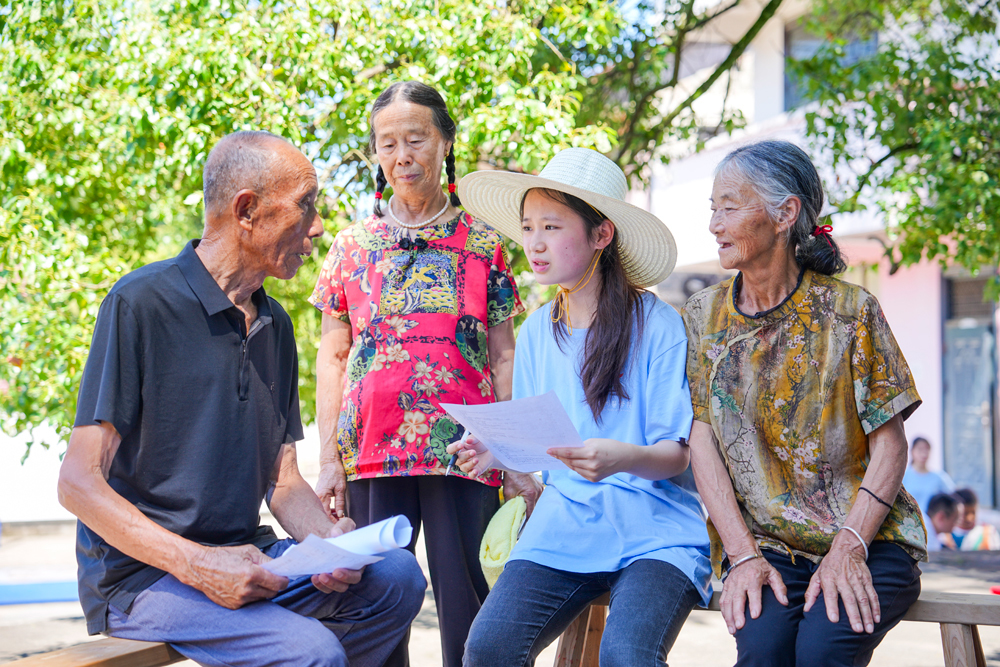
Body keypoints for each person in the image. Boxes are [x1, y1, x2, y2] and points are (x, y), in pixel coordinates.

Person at [57, 131, 426, 667]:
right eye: (305, 205)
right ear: (247, 211)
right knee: (311, 652)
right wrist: (198, 563)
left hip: (251, 557)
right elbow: (77, 482)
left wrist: (326, 542)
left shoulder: (273, 323)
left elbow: (282, 481)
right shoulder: (139, 302)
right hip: (143, 578)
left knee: (397, 576)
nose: (317, 227)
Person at [309, 81, 542, 667]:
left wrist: (512, 457)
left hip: (466, 449)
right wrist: (328, 460)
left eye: (416, 139)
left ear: (445, 144)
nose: (402, 156)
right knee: (376, 601)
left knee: (473, 606)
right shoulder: (352, 246)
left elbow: (504, 355)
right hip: (369, 451)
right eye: (387, 144)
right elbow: (332, 357)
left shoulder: (483, 242)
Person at [450, 147, 712, 667]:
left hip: (656, 532)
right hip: (563, 526)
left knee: (627, 656)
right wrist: (495, 450)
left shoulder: (657, 324)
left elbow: (676, 456)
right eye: (527, 228)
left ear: (601, 234)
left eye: (551, 226)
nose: (534, 243)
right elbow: (539, 444)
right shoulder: (535, 334)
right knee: (486, 649)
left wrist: (619, 458)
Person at [682, 140, 927, 667]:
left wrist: (848, 546)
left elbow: (890, 443)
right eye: (713, 209)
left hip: (869, 536)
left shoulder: (851, 311)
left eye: (729, 207)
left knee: (822, 651)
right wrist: (742, 552)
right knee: (764, 653)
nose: (714, 225)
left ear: (784, 214)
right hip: (767, 543)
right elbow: (702, 439)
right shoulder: (703, 316)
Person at [902, 437, 955, 513]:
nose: (924, 453)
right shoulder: (903, 476)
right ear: (912, 451)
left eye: (927, 449)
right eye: (920, 449)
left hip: (931, 523)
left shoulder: (939, 477)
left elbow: (953, 496)